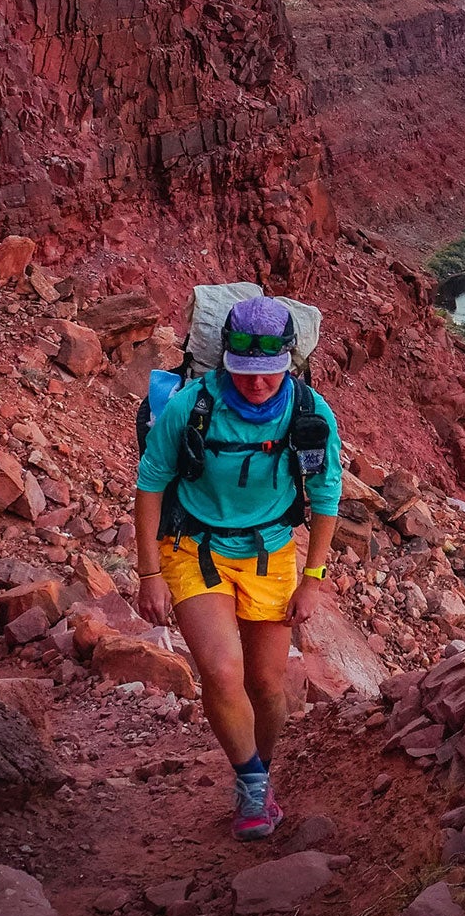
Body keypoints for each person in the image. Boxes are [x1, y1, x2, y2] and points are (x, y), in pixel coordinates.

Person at [135, 295, 342, 841]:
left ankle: (260, 773)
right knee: (224, 672)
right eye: (245, 371)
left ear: (288, 362)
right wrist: (148, 572)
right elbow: (151, 481)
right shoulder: (191, 407)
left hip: (271, 553)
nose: (257, 384)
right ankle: (251, 785)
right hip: (194, 547)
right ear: (226, 358)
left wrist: (313, 579)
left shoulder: (310, 412)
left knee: (268, 684)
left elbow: (326, 495)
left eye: (270, 372)